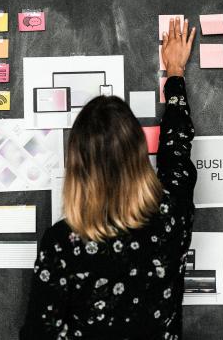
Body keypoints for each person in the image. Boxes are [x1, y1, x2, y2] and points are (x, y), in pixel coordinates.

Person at [19, 17, 197, 339]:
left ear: (77, 166)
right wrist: (175, 73)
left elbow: (39, 335)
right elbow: (177, 152)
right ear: (139, 155)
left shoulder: (62, 245)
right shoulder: (170, 220)